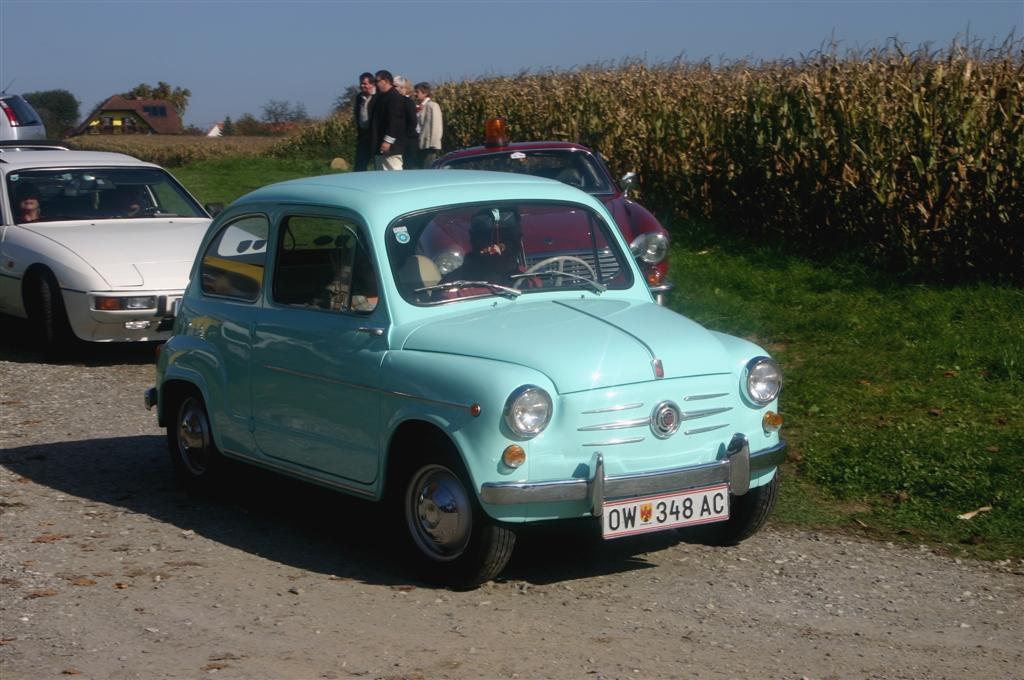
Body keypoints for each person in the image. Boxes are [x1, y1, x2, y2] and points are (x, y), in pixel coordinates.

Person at [369, 70, 411, 171]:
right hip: (380, 146)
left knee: (394, 175)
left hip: (392, 147)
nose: (375, 84)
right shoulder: (380, 97)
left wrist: (388, 141)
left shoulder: (394, 97)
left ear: (386, 81)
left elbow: (395, 121)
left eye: (377, 81)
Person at [414, 82, 444, 169]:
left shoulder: (432, 105)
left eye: (417, 92)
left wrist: (434, 143)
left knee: (427, 168)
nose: (415, 94)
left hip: (428, 144)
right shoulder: (419, 106)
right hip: (419, 143)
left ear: (425, 93)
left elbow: (436, 125)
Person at [393, 75, 420, 168]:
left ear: (402, 88)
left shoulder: (407, 102)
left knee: (408, 167)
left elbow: (412, 122)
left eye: (395, 86)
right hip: (401, 141)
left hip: (408, 141)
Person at [352, 72, 376, 172]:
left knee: (377, 163)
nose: (362, 86)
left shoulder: (378, 96)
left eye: (365, 84)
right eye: (361, 83)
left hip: (374, 135)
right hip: (363, 134)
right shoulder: (359, 97)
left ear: (372, 84)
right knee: (359, 165)